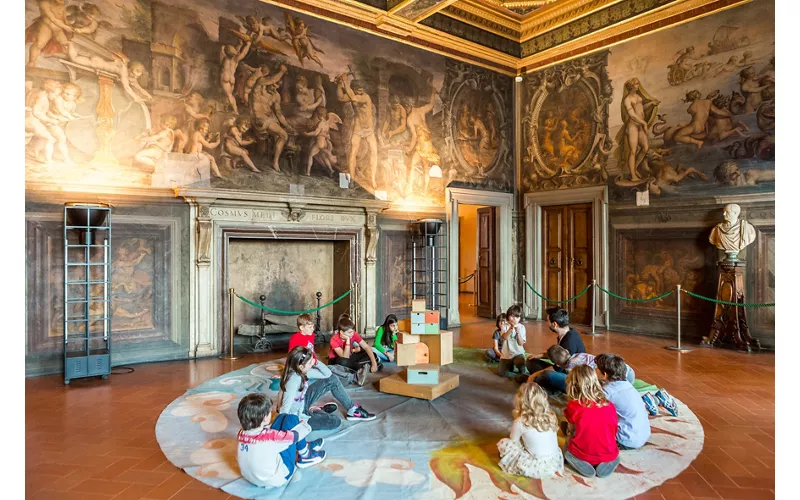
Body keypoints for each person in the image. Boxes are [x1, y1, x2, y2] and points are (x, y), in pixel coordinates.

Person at [236, 393, 325, 489]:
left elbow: (265, 434)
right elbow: (295, 436)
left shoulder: (241, 433)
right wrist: (304, 426)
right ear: (265, 418)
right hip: (279, 477)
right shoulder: (270, 438)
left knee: (281, 417)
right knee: (292, 419)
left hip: (251, 477)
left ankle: (302, 446)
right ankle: (305, 455)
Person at [276, 347, 376, 430]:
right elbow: (285, 409)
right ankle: (315, 411)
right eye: (310, 362)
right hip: (297, 417)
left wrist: (315, 362)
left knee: (332, 379)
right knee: (335, 421)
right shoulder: (293, 381)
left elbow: (327, 374)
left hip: (302, 402)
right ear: (301, 366)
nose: (312, 364)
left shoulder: (300, 371)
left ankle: (352, 409)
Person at [562, 365, 620, 478]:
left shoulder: (573, 406)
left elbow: (571, 431)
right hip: (608, 451)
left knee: (567, 448)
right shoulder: (610, 405)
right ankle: (609, 460)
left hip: (583, 453)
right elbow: (613, 429)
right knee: (611, 449)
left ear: (572, 385)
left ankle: (580, 462)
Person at [497, 383, 563, 479]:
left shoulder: (520, 421)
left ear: (520, 400)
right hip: (554, 462)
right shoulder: (551, 416)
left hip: (536, 466)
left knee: (504, 444)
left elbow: (513, 441)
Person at [594, 354, 650, 450]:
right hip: (643, 434)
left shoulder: (608, 392)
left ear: (605, 374)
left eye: (596, 368)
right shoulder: (626, 384)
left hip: (626, 440)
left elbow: (591, 411)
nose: (594, 370)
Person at [532, 346, 636, 394]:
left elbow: (577, 384)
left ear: (557, 364)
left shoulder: (570, 368)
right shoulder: (578, 355)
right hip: (628, 371)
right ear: (567, 351)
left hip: (620, 377)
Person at [526, 307, 586, 375]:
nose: (546, 323)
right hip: (563, 369)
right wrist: (540, 355)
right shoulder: (569, 332)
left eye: (547, 321)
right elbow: (557, 355)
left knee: (543, 374)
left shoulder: (569, 342)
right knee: (531, 362)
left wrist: (535, 375)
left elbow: (558, 369)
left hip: (572, 376)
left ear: (554, 324)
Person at [328, 316, 380, 384]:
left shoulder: (353, 334)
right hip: (337, 360)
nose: (352, 334)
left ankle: (363, 368)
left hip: (350, 358)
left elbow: (366, 347)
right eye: (349, 332)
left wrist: (374, 363)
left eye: (353, 331)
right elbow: (345, 357)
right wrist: (347, 340)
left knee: (373, 355)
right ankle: (362, 368)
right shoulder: (334, 340)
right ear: (341, 332)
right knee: (343, 362)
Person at [498, 305, 527, 378]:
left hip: (518, 353)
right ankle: (515, 374)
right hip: (506, 354)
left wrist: (518, 333)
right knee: (501, 373)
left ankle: (521, 371)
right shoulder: (504, 326)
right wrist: (511, 329)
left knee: (522, 367)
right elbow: (504, 337)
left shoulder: (522, 327)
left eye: (517, 317)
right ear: (508, 316)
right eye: (512, 316)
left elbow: (521, 343)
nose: (514, 319)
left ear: (520, 318)